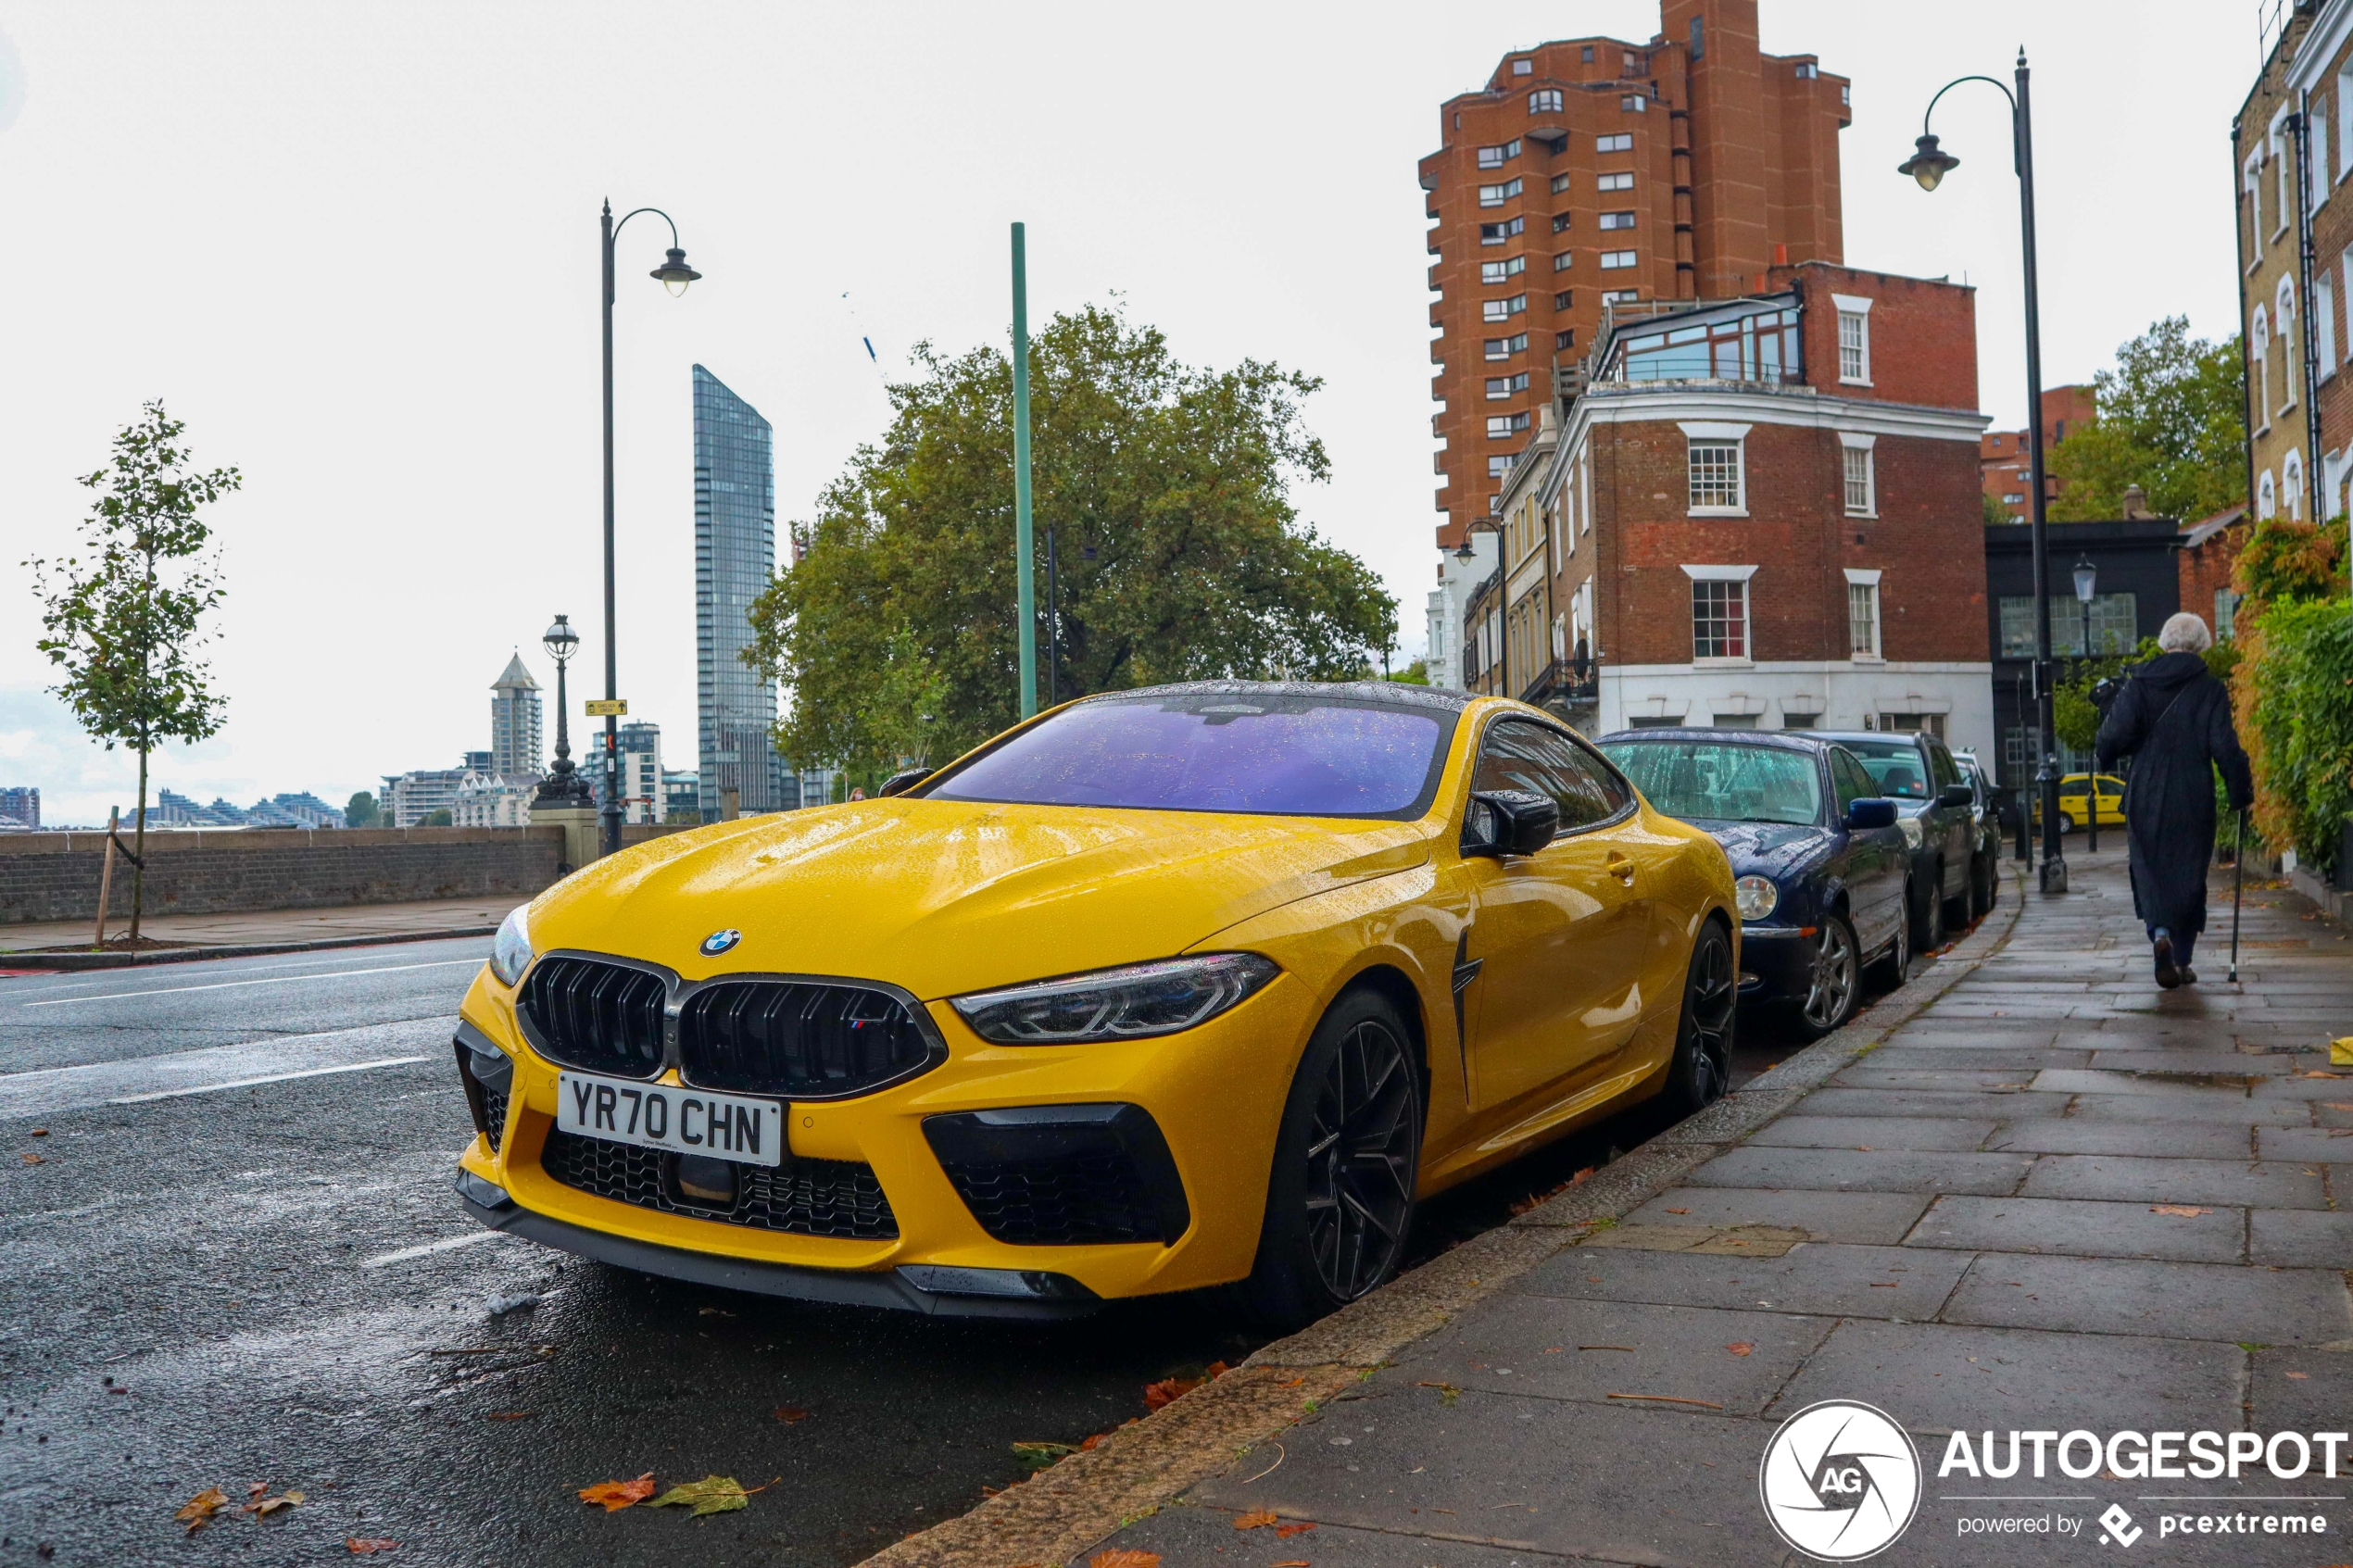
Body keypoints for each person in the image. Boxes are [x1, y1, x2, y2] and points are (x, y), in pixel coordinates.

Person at [2095, 611, 2254, 988]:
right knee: (2189, 876)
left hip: (2145, 793)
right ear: (2202, 646)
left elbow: (2112, 736)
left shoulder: (2139, 684)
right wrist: (2241, 793)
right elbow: (2226, 748)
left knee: (2150, 872)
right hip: (2193, 794)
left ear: (2165, 643)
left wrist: (2105, 755)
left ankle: (2160, 933)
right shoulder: (2211, 689)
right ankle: (2182, 961)